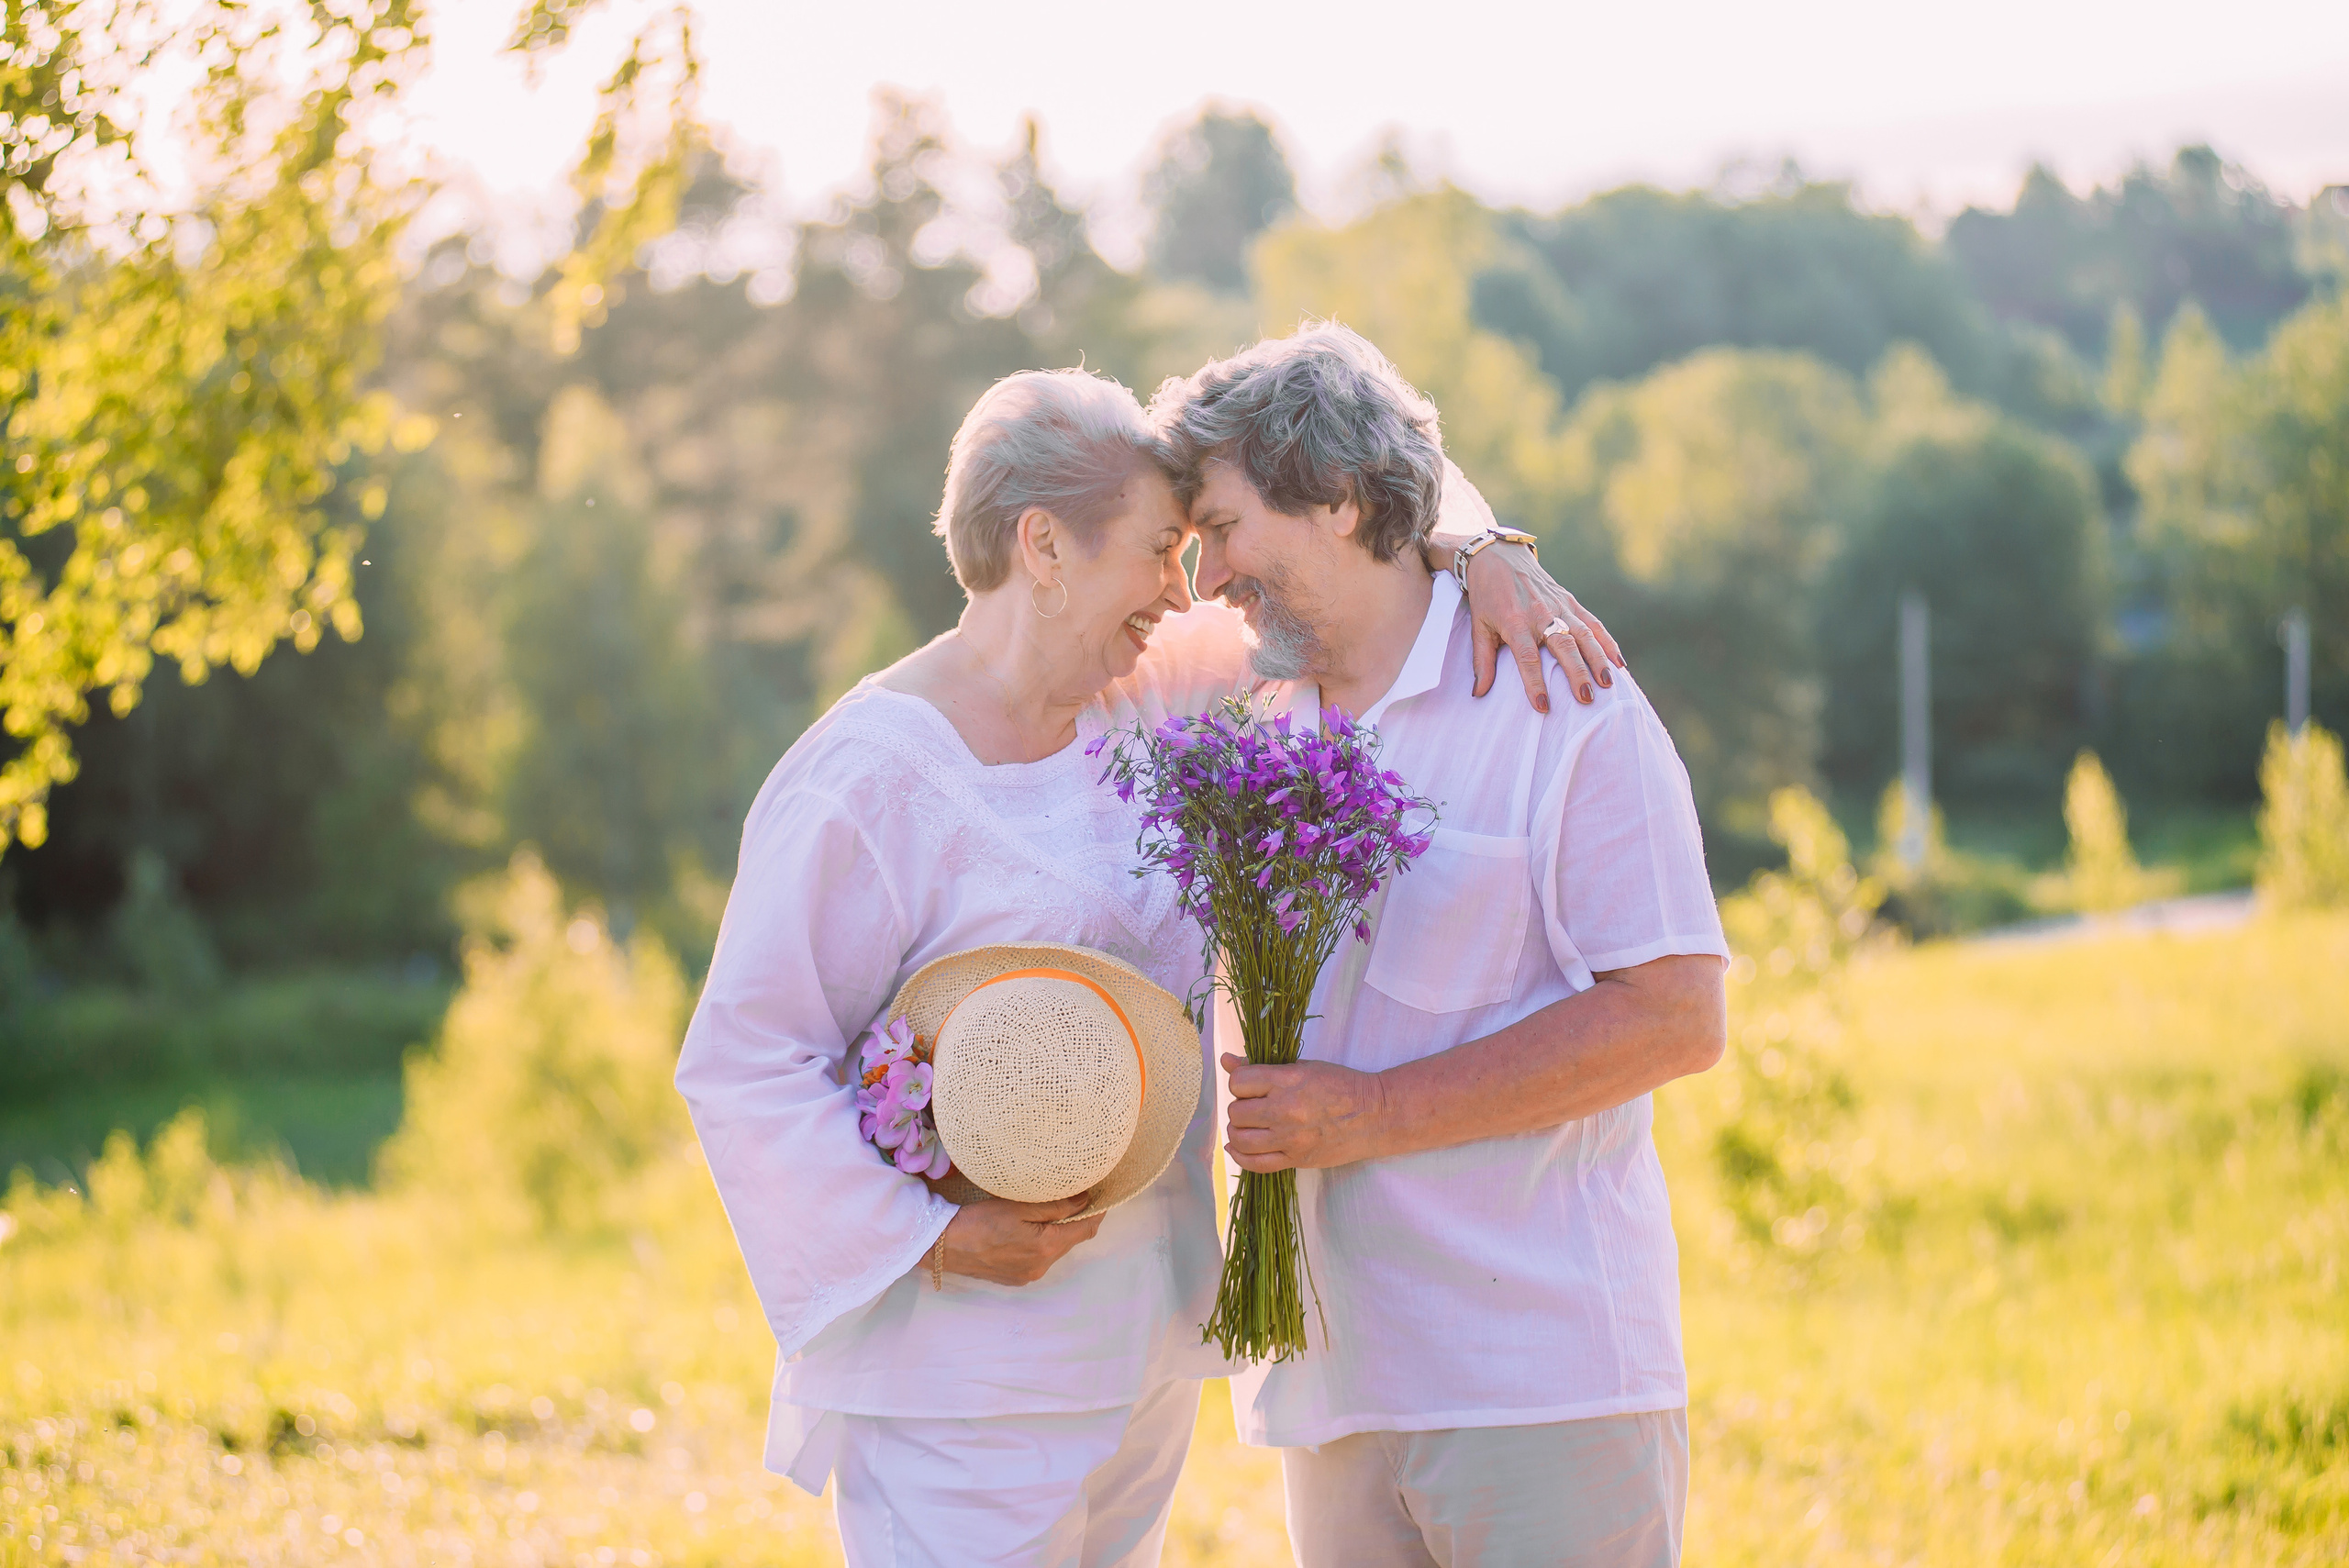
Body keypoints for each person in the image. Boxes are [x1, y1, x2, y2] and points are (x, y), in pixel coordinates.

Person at [673, 364, 1612, 1568]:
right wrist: (936, 1239)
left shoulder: (1145, 704)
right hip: (960, 1372)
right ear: (1045, 545)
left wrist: (1481, 544)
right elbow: (747, 1059)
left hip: (1136, 1351)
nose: (1185, 589)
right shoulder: (867, 779)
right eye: (1159, 551)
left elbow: (1347, 497)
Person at [1151, 324, 1731, 1568]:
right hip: (1332, 1388)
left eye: (1226, 527)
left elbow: (1677, 1015)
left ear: (1346, 501)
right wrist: (1479, 536)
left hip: (1536, 1383)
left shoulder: (1558, 699)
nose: (1205, 577)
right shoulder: (1248, 707)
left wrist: (1365, 1115)